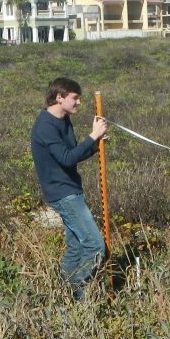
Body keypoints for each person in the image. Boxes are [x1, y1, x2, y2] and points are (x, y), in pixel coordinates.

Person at [30, 77, 108, 299]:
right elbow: (65, 158)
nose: (79, 103)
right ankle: (75, 289)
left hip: (71, 190)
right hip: (63, 194)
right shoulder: (45, 125)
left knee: (75, 247)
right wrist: (93, 135)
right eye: (75, 98)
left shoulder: (63, 119)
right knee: (94, 246)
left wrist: (94, 146)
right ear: (59, 97)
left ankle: (61, 296)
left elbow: (72, 155)